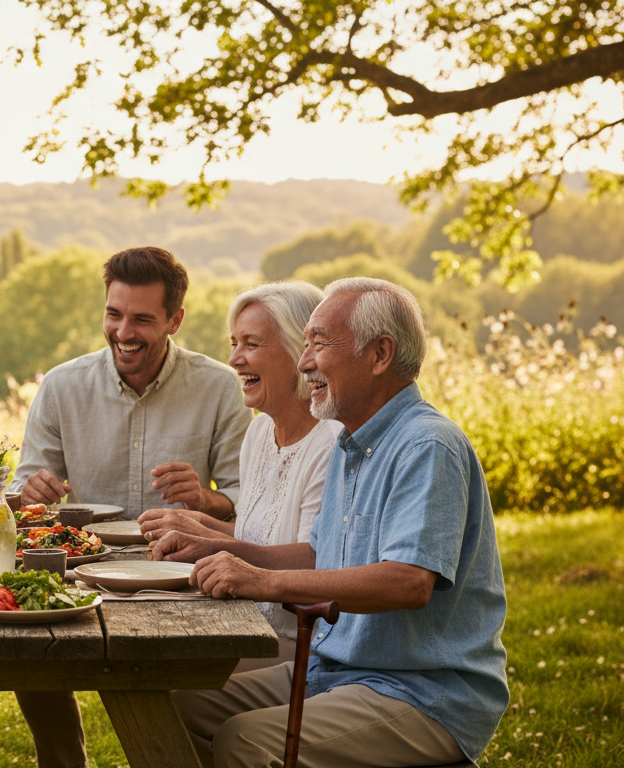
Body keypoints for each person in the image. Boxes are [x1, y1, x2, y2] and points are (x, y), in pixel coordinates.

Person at [174, 277, 509, 767]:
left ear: (380, 354)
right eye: (304, 343)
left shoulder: (426, 446)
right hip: (337, 668)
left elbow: (408, 582)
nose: (305, 361)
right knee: (183, 704)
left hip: (422, 691)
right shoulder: (351, 445)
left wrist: (262, 580)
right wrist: (218, 548)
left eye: (319, 343)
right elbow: (320, 557)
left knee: (245, 741)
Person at [9, 246, 253, 768]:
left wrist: (208, 499)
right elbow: (26, 486)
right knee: (27, 653)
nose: (124, 332)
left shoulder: (217, 387)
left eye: (142, 319)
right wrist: (33, 493)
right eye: (114, 315)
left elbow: (246, 501)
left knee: (159, 690)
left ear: (175, 320)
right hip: (81, 568)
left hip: (184, 572)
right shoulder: (62, 385)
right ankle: (64, 761)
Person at [144, 281, 341, 670]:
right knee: (153, 658)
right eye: (233, 343)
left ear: (298, 352)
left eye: (251, 344)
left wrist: (215, 546)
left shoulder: (331, 441)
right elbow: (260, 534)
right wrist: (201, 524)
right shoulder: (259, 432)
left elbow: (315, 558)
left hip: (296, 639)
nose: (234, 359)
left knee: (162, 674)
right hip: (243, 621)